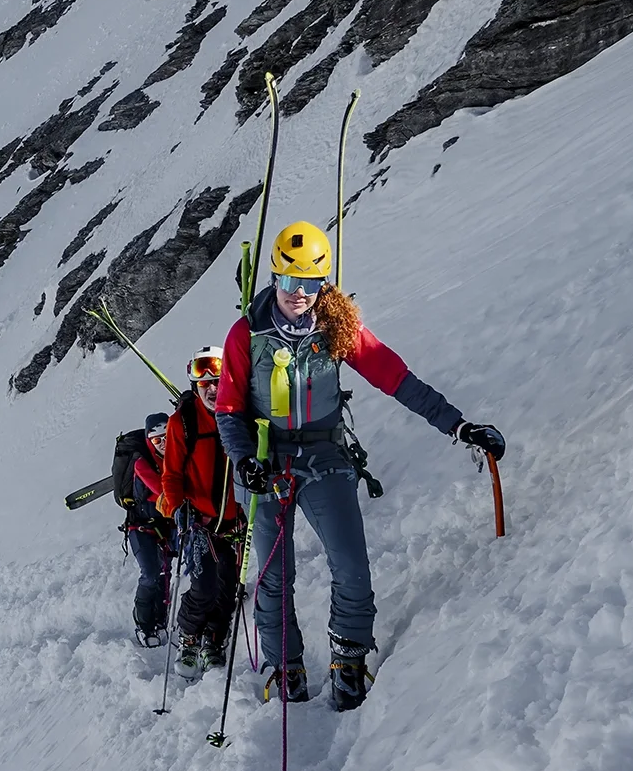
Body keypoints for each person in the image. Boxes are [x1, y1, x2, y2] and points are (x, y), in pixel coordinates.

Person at [215, 221, 505, 709]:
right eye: (290, 280)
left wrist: (458, 426)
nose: (299, 293)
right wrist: (244, 461)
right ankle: (284, 667)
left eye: (311, 283)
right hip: (266, 462)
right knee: (273, 576)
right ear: (274, 277)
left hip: (324, 455)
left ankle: (348, 659)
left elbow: (396, 378)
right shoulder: (246, 333)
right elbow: (227, 409)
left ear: (323, 283)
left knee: (350, 565)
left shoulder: (338, 328)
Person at [153, 346, 244, 677]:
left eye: (217, 381)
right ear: (194, 386)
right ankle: (189, 636)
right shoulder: (183, 421)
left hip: (236, 522)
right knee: (204, 586)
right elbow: (172, 474)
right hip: (201, 522)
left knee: (228, 587)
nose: (212, 388)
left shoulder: (240, 411)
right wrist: (178, 507)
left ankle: (214, 639)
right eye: (204, 383)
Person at [120, 413, 175, 646]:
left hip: (167, 527)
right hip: (141, 527)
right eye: (156, 440)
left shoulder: (178, 458)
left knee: (165, 573)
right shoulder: (141, 464)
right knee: (151, 573)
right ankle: (143, 623)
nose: (162, 444)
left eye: (166, 438)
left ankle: (160, 619)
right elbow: (160, 490)